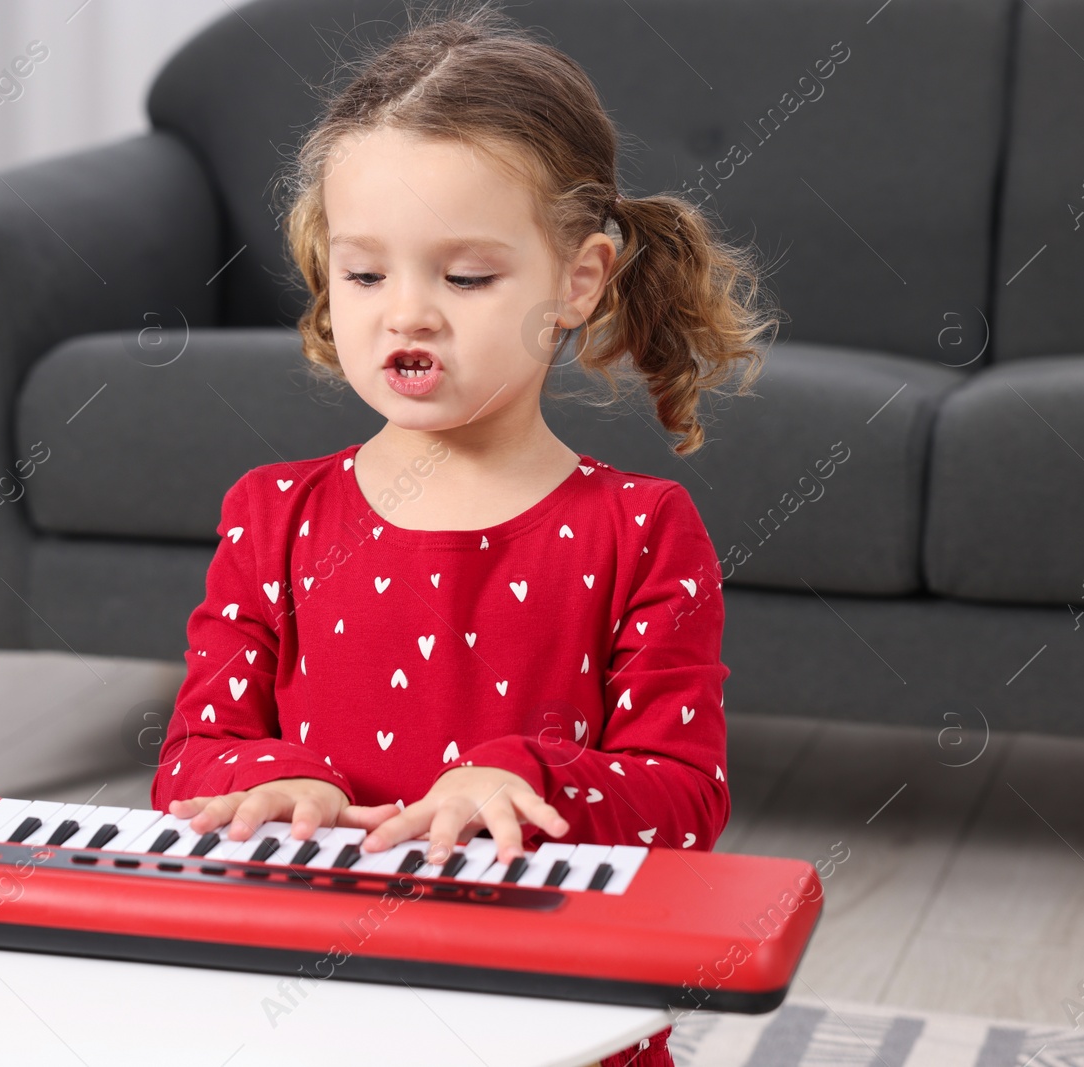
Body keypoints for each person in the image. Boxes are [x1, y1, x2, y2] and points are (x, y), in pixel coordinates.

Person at [152, 3, 779, 1063]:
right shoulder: (272, 513)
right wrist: (275, 775)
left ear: (575, 282)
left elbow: (684, 799)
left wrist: (520, 778)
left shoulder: (640, 528)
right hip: (310, 1011)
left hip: (555, 1018)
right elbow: (188, 762)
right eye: (365, 273)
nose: (408, 314)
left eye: (465, 275)